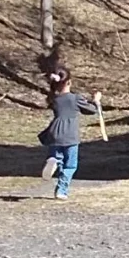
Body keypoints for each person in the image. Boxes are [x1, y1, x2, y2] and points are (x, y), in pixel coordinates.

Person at [40, 68, 101, 200]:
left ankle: (53, 160)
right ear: (69, 82)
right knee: (71, 165)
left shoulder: (54, 99)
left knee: (60, 160)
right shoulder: (75, 99)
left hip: (54, 133)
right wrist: (96, 100)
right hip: (70, 135)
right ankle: (61, 190)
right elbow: (91, 110)